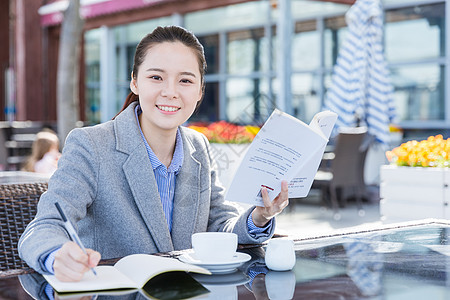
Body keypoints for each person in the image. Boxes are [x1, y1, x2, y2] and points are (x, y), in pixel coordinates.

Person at [18, 25, 289, 283]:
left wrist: (259, 217)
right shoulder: (91, 145)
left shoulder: (198, 147)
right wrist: (56, 256)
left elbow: (221, 226)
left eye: (185, 80)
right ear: (135, 82)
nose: (170, 92)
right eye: (156, 77)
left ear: (199, 91)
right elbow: (43, 227)